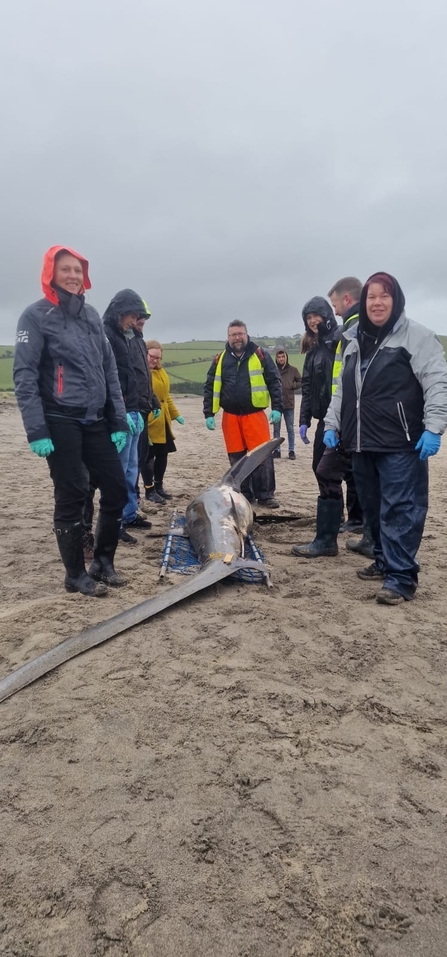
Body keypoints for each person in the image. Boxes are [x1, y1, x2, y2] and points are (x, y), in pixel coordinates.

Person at [324, 271, 447, 605]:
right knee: (374, 509)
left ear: (396, 300)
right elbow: (343, 390)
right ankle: (382, 562)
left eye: (384, 296)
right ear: (363, 303)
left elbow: (437, 382)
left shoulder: (417, 337)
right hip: (362, 442)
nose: (377, 303)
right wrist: (332, 424)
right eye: (371, 297)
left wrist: (434, 427)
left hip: (401, 443)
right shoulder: (353, 340)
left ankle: (401, 578)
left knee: (401, 509)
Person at [13, 246, 129, 596]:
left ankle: (103, 562)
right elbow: (24, 374)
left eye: (78, 270)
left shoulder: (92, 316)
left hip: (95, 418)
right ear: (51, 273)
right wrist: (36, 429)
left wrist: (119, 420)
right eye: (66, 269)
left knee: (116, 489)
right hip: (59, 417)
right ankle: (75, 575)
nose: (73, 276)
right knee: (73, 491)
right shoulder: (34, 316)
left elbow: (109, 370)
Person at [203, 320, 283, 507]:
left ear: (247, 335)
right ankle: (244, 494)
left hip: (255, 415)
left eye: (240, 334)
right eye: (233, 334)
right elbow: (209, 386)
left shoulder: (260, 355)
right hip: (230, 416)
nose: (237, 337)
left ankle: (265, 495)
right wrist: (208, 413)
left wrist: (277, 407)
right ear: (228, 337)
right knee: (236, 458)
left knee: (262, 456)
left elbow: (274, 380)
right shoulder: (220, 359)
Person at [291, 297, 341, 557]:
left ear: (326, 315)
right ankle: (332, 533)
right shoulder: (313, 351)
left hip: (343, 420)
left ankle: (329, 538)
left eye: (315, 315)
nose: (312, 321)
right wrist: (303, 420)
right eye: (308, 317)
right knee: (320, 470)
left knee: (332, 473)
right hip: (324, 421)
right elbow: (308, 387)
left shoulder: (338, 343)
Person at [103, 290, 153, 544]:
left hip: (133, 409)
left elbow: (134, 374)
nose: (135, 321)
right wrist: (119, 413)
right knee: (120, 470)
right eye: (133, 316)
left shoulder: (128, 337)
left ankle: (130, 512)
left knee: (133, 466)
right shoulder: (108, 336)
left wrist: (140, 405)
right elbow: (111, 378)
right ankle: (116, 521)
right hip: (119, 413)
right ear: (120, 312)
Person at [128, 303, 161, 505]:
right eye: (138, 317)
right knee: (130, 463)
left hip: (143, 410)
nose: (141, 321)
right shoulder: (124, 342)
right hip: (130, 409)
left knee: (139, 459)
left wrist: (154, 402)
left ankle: (134, 503)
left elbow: (144, 379)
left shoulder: (138, 341)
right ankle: (131, 504)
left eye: (144, 319)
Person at [144, 340, 184, 503]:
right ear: (145, 354)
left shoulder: (162, 372)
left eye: (158, 357)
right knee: (148, 458)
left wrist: (176, 414)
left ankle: (159, 485)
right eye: (152, 356)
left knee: (162, 455)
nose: (155, 360)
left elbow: (166, 397)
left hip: (163, 421)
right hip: (149, 420)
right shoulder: (141, 372)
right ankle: (149, 489)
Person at [272, 347, 302, 460]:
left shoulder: (293, 370)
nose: (281, 359)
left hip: (289, 403)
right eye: (279, 357)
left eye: (283, 356)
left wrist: (292, 386)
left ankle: (291, 450)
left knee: (290, 428)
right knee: (276, 429)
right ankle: (277, 450)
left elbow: (300, 381)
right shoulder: (273, 370)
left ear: (286, 357)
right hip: (276, 404)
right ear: (276, 358)